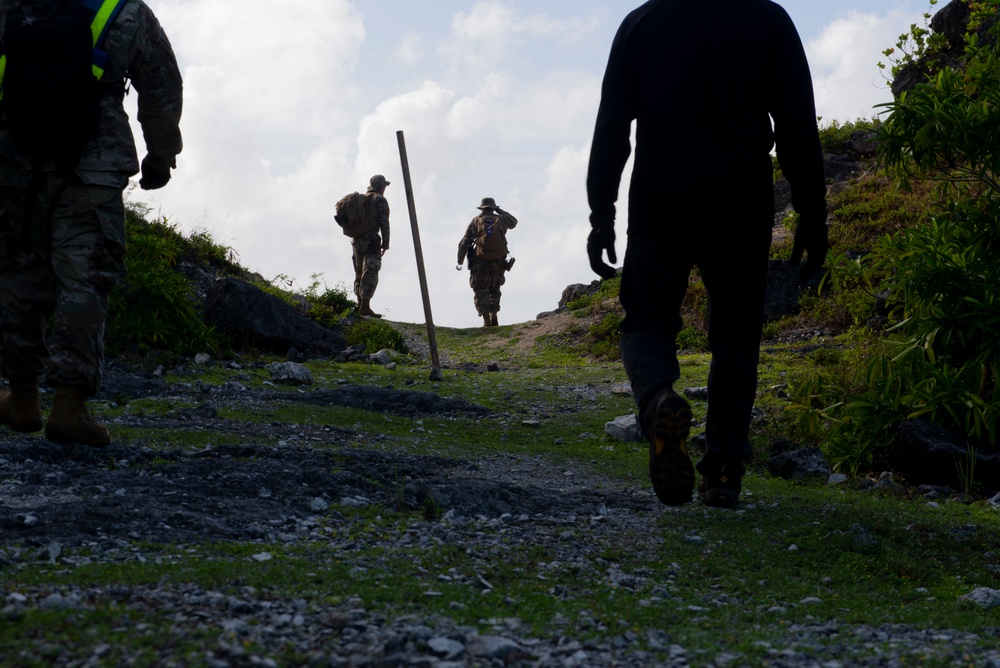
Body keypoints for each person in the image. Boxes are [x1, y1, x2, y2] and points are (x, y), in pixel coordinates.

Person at [586, 0, 828, 508]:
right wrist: (812, 212)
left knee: (646, 321)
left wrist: (601, 214)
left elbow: (612, 126)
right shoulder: (767, 20)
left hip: (660, 197)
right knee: (737, 335)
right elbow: (796, 125)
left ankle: (656, 402)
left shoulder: (642, 23)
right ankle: (722, 469)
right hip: (740, 200)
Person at [0, 0, 183, 447]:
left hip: (13, 155)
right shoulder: (124, 10)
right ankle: (69, 406)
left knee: (17, 273)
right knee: (84, 277)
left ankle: (21, 398)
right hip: (93, 157)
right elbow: (160, 84)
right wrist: (161, 155)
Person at [456, 197, 517, 327]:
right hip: (498, 261)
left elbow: (464, 242)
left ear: (482, 208)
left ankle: (486, 319)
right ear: (493, 207)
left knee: (480, 289)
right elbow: (514, 222)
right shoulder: (501, 220)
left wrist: (460, 260)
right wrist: (500, 211)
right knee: (494, 287)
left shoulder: (476, 221)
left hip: (480, 261)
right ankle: (494, 314)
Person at [352, 174, 391, 318]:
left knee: (358, 273)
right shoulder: (380, 199)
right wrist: (386, 243)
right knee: (370, 272)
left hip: (357, 241)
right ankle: (365, 307)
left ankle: (360, 305)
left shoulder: (361, 199)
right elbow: (384, 223)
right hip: (371, 241)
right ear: (381, 186)